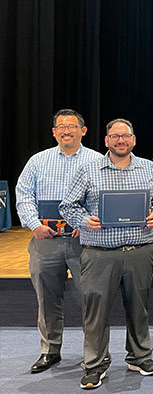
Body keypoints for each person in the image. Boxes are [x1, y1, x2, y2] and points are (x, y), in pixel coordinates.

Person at [60, 118, 153, 389]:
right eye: (115, 136)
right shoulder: (88, 169)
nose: (120, 140)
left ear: (133, 140)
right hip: (99, 253)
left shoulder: (148, 168)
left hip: (139, 251)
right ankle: (95, 365)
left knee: (139, 308)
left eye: (125, 136)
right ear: (107, 140)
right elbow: (67, 206)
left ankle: (139, 356)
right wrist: (85, 220)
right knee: (96, 313)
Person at [15, 109, 103, 374]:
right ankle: (50, 350)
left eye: (72, 126)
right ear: (54, 132)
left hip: (84, 242)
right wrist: (34, 224)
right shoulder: (37, 161)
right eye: (61, 127)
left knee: (90, 298)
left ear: (83, 131)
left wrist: (86, 220)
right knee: (47, 298)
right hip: (46, 242)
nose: (66, 131)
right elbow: (23, 195)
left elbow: (102, 197)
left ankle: (94, 354)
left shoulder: (97, 160)